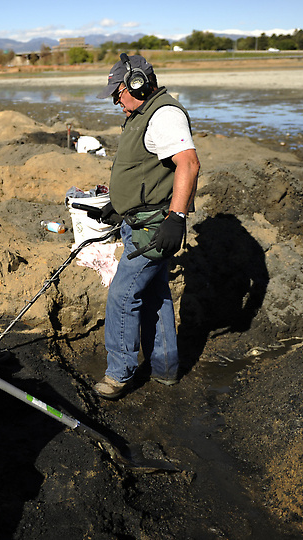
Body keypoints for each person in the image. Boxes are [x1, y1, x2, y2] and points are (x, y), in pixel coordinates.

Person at [92, 54, 200, 399]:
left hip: (154, 228)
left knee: (123, 296)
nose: (115, 101)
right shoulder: (142, 115)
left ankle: (118, 374)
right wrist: (119, 205)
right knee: (155, 294)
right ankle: (166, 369)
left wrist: (176, 218)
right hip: (140, 221)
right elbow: (146, 171)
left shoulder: (164, 115)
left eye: (118, 93)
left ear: (136, 84)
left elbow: (189, 164)